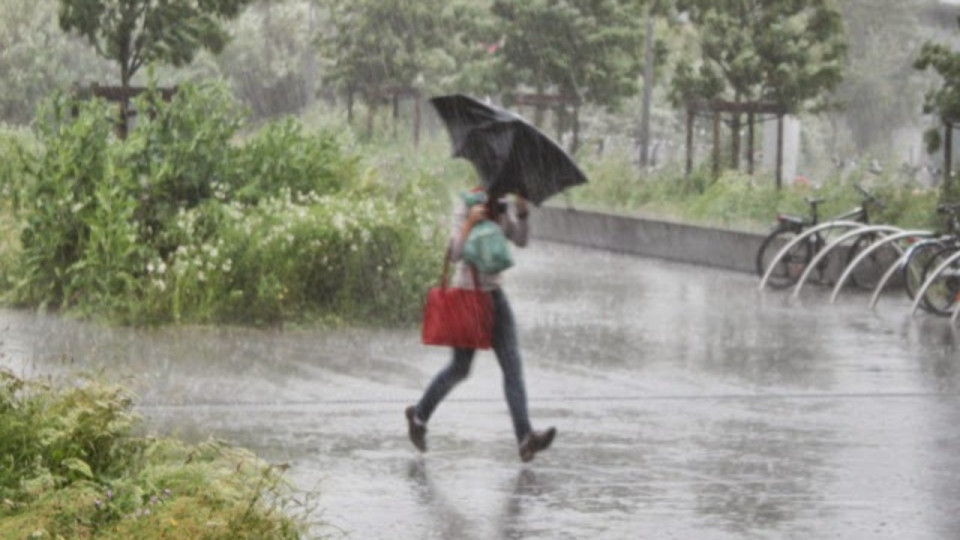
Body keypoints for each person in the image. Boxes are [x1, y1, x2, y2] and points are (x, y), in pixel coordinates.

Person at [405, 189, 556, 462]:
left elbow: (520, 240)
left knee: (513, 368)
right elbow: (454, 253)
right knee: (460, 368)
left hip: (496, 296)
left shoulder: (502, 204)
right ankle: (418, 415)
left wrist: (520, 212)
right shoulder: (467, 202)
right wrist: (469, 223)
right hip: (469, 296)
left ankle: (525, 437)